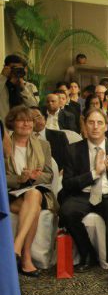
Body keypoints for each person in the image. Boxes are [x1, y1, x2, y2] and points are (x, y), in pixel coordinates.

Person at [58, 108, 108, 290]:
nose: (95, 127)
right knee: (67, 211)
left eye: (99, 123)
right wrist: (94, 173)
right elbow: (67, 184)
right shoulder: (73, 150)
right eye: (91, 122)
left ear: (106, 126)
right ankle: (87, 253)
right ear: (84, 125)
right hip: (82, 194)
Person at [4, 106, 55, 276]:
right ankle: (25, 258)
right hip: (10, 194)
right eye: (21, 120)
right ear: (12, 123)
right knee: (34, 208)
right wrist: (20, 179)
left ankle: (15, 248)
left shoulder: (43, 145)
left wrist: (32, 178)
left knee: (33, 194)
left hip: (36, 191)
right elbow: (1, 177)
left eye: (29, 120)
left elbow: (49, 176)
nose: (26, 124)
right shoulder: (4, 146)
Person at [0, 55, 39, 121]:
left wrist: (23, 89)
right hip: (4, 124)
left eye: (19, 69)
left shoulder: (30, 86)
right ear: (5, 68)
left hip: (23, 124)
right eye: (13, 68)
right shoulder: (2, 84)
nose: (16, 71)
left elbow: (34, 106)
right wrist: (3, 77)